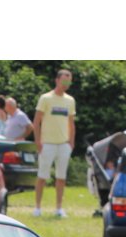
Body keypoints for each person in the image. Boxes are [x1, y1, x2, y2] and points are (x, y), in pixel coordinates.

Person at [33, 69, 76, 217]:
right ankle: (37, 208)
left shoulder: (70, 100)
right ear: (57, 80)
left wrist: (71, 142)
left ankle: (58, 208)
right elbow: (37, 121)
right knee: (42, 176)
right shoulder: (46, 98)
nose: (66, 84)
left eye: (68, 82)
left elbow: (71, 123)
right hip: (47, 144)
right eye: (64, 81)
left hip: (63, 144)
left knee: (61, 177)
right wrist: (38, 141)